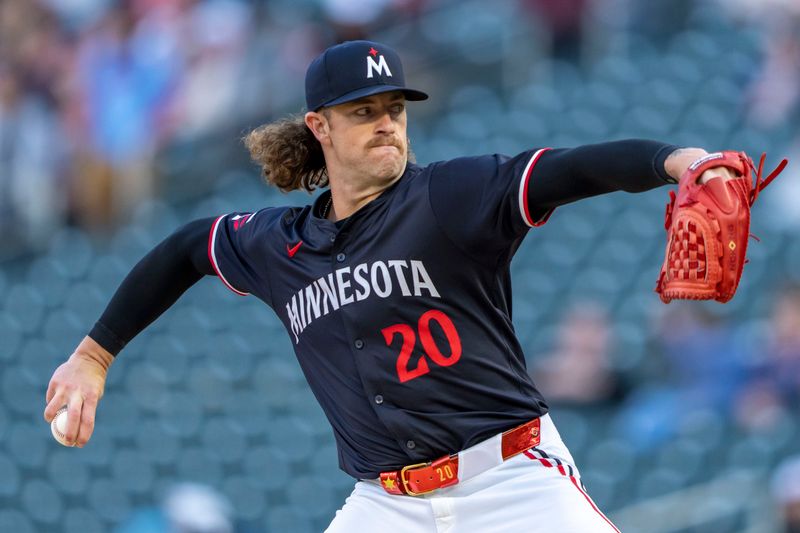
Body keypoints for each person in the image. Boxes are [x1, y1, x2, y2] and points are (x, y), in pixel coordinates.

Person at [44, 40, 736, 531]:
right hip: (386, 506)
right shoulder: (277, 243)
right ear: (319, 127)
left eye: (394, 109)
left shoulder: (451, 196)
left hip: (511, 481)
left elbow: (569, 169)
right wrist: (94, 355)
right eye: (363, 110)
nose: (385, 123)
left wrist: (675, 160)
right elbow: (186, 249)